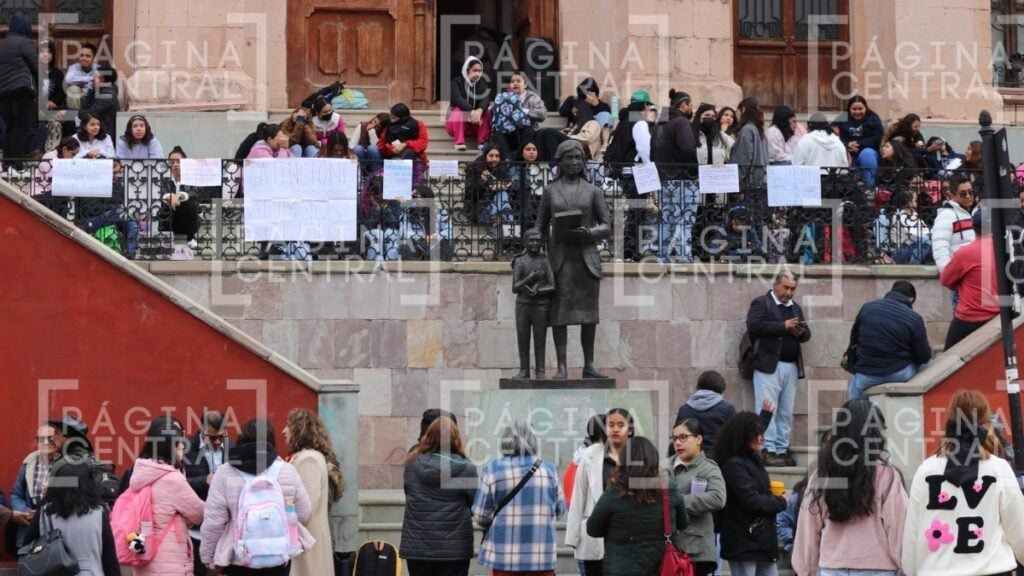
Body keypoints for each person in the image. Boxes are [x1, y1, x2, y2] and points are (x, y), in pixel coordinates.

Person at [902, 390, 1024, 576]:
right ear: (986, 423)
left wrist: (911, 571)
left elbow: (912, 537)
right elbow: (1019, 534)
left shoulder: (926, 470)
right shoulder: (999, 469)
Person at [793, 399, 908, 576]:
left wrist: (805, 569)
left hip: (832, 567)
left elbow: (809, 528)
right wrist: (905, 565)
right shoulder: (887, 475)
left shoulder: (822, 474)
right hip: (878, 567)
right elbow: (898, 527)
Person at [535, 139, 611, 380]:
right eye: (569, 158)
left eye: (578, 158)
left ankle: (589, 363)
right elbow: (539, 225)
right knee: (560, 315)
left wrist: (589, 232)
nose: (575, 162)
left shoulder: (593, 191)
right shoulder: (550, 191)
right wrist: (531, 245)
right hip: (560, 259)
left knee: (588, 315)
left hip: (585, 258)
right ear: (561, 161)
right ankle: (561, 366)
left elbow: (607, 226)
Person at [200, 418, 313, 576]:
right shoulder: (287, 471)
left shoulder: (224, 473)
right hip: (278, 555)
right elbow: (304, 513)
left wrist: (208, 556)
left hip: (240, 557)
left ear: (241, 440)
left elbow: (214, 521)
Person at [472, 418, 565, 575]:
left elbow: (480, 516)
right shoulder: (549, 469)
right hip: (541, 559)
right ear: (534, 440)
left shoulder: (493, 469)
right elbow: (560, 511)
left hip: (503, 559)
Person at [586, 437, 688, 576]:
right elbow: (683, 523)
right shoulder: (669, 487)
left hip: (621, 569)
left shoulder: (615, 491)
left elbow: (593, 529)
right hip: (663, 568)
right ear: (653, 459)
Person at [745, 269, 811, 467]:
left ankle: (782, 449)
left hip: (790, 366)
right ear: (776, 285)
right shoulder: (761, 302)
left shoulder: (795, 308)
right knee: (767, 409)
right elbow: (754, 326)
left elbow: (807, 336)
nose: (789, 293)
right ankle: (767, 449)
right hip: (767, 365)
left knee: (785, 411)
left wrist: (800, 332)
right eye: (786, 288)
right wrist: (783, 326)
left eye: (793, 289)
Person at [127, 417, 206, 576]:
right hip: (170, 563)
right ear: (169, 448)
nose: (183, 446)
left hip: (144, 558)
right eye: (179, 443)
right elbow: (199, 513)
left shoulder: (140, 472)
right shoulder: (172, 479)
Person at [400, 416, 477, 576]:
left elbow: (409, 494)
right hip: (454, 548)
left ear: (427, 437)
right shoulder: (467, 468)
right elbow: (474, 503)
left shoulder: (412, 465)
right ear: (456, 438)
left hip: (418, 546)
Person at [715, 411, 788, 576]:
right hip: (744, 541)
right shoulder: (733, 464)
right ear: (744, 436)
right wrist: (779, 502)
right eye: (757, 434)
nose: (761, 438)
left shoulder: (751, 460)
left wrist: (773, 496)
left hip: (761, 539)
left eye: (762, 433)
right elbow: (751, 500)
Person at [566, 408, 634, 576]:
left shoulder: (637, 456)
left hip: (627, 535)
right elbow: (578, 496)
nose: (615, 429)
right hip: (595, 533)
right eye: (610, 425)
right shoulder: (590, 455)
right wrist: (573, 536)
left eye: (620, 425)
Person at [24, 462, 120, 576]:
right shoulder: (99, 513)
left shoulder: (44, 513)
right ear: (87, 484)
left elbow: (27, 548)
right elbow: (110, 561)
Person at [284, 408, 345, 576]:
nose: (284, 431)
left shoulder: (308, 459)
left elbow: (307, 507)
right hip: (308, 540)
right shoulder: (310, 457)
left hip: (306, 544)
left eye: (288, 426)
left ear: (300, 429)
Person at [847, 281, 932, 399]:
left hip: (866, 375)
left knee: (854, 391)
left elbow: (854, 339)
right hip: (899, 373)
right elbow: (924, 356)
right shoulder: (914, 318)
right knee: (928, 363)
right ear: (911, 299)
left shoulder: (867, 308)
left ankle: (853, 414)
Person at [668, 419, 726, 576]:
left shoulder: (708, 468)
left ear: (699, 439)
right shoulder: (664, 467)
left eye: (683, 437)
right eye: (674, 439)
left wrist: (678, 501)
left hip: (695, 550)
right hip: (666, 546)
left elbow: (718, 498)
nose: (678, 443)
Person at [941, 208, 1000, 350]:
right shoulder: (1003, 250)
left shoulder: (965, 253)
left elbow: (946, 280)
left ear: (973, 227)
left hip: (969, 317)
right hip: (997, 316)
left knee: (948, 359)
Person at [652, 88, 700, 263]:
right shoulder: (681, 122)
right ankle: (683, 255)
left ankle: (663, 255)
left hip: (664, 180)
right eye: (690, 105)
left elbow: (652, 152)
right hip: (683, 179)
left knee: (667, 218)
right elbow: (688, 148)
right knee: (684, 218)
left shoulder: (659, 124)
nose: (691, 109)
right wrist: (694, 173)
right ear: (683, 105)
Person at [183, 410, 230, 576]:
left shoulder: (233, 449)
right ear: (202, 431)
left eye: (221, 436)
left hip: (226, 528)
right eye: (212, 437)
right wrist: (203, 480)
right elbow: (178, 483)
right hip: (196, 529)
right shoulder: (186, 450)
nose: (217, 442)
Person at [511, 228, 555, 379]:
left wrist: (539, 291)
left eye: (538, 240)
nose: (535, 243)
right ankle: (524, 370)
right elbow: (515, 287)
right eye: (531, 240)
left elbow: (552, 285)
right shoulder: (519, 261)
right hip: (523, 305)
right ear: (525, 242)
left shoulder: (544, 260)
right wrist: (529, 278)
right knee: (523, 338)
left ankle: (540, 370)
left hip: (541, 306)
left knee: (540, 338)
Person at [10, 424, 61, 550]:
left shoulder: (66, 465)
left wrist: (42, 513)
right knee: (28, 562)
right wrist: (25, 511)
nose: (46, 442)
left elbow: (71, 496)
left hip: (56, 525)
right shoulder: (28, 464)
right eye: (41, 438)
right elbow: (16, 495)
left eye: (50, 438)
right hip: (29, 525)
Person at [0, 15, 38, 160]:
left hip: (3, 93)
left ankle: (7, 163)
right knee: (22, 127)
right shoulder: (24, 42)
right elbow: (36, 65)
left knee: (10, 127)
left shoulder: (4, 45)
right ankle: (16, 164)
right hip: (21, 90)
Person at [675, 370, 737, 457]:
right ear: (721, 388)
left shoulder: (684, 409)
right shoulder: (727, 408)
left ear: (698, 386)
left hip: (690, 459)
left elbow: (677, 436)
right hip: (719, 460)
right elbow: (736, 437)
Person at [160, 146, 202, 257]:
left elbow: (195, 193)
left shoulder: (192, 178)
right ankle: (167, 238)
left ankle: (190, 237)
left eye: (178, 161)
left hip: (186, 219)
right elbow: (161, 192)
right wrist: (171, 198)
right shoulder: (164, 179)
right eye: (172, 162)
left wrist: (179, 196)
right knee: (167, 203)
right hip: (171, 216)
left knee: (189, 203)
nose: (175, 165)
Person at [834, 95, 884, 188]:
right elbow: (834, 134)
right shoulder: (842, 117)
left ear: (865, 108)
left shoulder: (873, 118)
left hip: (868, 151)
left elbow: (878, 135)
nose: (857, 112)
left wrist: (859, 144)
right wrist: (846, 144)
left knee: (867, 154)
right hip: (847, 151)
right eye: (854, 109)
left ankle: (869, 187)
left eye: (860, 109)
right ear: (849, 109)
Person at [932, 173, 977, 274]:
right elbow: (940, 248)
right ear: (952, 195)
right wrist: (947, 274)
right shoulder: (946, 216)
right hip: (960, 276)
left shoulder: (974, 212)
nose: (968, 196)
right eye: (963, 193)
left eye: (971, 192)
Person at [447, 56, 492, 151]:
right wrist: (471, 111)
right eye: (474, 70)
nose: (477, 73)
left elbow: (486, 99)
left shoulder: (482, 84)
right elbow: (457, 98)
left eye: (480, 71)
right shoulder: (456, 82)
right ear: (468, 70)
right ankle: (459, 142)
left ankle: (481, 142)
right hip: (455, 126)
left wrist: (479, 111)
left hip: (474, 124)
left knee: (486, 112)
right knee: (458, 110)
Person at [463, 143, 510, 224]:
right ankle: (505, 228)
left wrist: (503, 186)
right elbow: (469, 194)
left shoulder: (502, 169)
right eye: (491, 156)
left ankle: (498, 224)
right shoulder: (474, 168)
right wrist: (483, 181)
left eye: (497, 156)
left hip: (497, 208)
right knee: (505, 207)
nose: (494, 159)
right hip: (480, 210)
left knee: (504, 197)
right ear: (485, 156)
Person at [729, 97, 769, 190]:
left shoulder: (747, 130)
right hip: (760, 181)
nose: (736, 115)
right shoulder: (760, 130)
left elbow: (743, 160)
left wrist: (738, 184)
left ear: (743, 110)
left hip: (749, 183)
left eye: (737, 111)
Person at [887, 187, 932, 264]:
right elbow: (912, 235)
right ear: (909, 203)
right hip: (900, 251)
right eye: (915, 200)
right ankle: (914, 267)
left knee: (929, 242)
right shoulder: (899, 216)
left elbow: (926, 230)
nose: (917, 203)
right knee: (926, 242)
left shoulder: (914, 215)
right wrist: (927, 237)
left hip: (915, 246)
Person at [38, 40, 69, 153]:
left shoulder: (58, 74)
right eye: (42, 51)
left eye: (49, 52)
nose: (45, 54)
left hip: (52, 109)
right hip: (34, 109)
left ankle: (50, 156)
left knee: (55, 123)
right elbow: (31, 93)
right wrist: (41, 105)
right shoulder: (33, 72)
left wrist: (51, 102)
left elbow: (61, 94)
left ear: (53, 55)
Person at [79, 61, 119, 139]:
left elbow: (89, 113)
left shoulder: (108, 96)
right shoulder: (99, 90)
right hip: (94, 131)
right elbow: (85, 107)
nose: (92, 79)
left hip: (102, 135)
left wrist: (78, 112)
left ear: (102, 79)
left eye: (95, 77)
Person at [64, 43, 98, 109]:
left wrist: (79, 83)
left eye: (88, 56)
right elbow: (68, 80)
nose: (84, 58)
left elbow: (96, 84)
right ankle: (74, 118)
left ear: (94, 58)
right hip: (78, 99)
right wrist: (89, 79)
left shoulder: (98, 69)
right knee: (73, 89)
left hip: (92, 100)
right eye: (81, 55)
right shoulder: (74, 67)